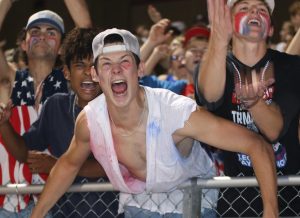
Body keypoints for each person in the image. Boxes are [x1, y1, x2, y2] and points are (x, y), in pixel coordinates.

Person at [30, 28, 278, 218]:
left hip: (189, 205)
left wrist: (270, 212)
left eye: (124, 62)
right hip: (139, 204)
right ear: (95, 75)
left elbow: (257, 145)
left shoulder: (176, 112)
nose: (116, 70)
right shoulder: (90, 120)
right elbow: (67, 166)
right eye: (106, 64)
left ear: (140, 69)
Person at [0, 27, 122, 217]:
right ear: (66, 72)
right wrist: (4, 125)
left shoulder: (118, 107)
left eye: (94, 66)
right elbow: (25, 154)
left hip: (111, 212)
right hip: (63, 213)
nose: (89, 74)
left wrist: (57, 166)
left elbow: (116, 165)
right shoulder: (56, 106)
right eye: (80, 66)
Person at [196, 0, 300, 216]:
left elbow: (274, 130)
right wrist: (217, 39)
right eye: (243, 8)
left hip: (290, 198)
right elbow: (210, 96)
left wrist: (254, 102)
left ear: (270, 27)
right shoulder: (214, 65)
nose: (254, 11)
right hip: (236, 199)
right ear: (229, 24)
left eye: (262, 9)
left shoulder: (292, 66)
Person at [0, 0, 68, 215]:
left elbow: (86, 28)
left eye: (51, 32)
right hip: (10, 204)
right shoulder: (9, 81)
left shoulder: (72, 85)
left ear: (61, 48)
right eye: (35, 31)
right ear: (23, 43)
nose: (42, 36)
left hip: (57, 202)